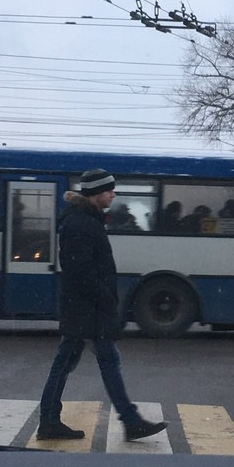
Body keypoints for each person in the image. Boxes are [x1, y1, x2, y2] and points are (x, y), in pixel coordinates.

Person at [36, 169, 167, 442]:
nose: (113, 194)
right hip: (86, 308)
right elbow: (80, 271)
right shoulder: (80, 224)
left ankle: (53, 420)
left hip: (85, 307)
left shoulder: (87, 220)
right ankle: (129, 421)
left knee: (80, 362)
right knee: (92, 362)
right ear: (95, 193)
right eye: (109, 190)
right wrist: (106, 298)